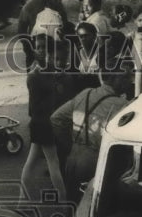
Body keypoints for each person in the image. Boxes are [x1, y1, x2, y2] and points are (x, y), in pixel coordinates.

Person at [51, 58, 134, 204]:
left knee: (72, 204)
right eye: (126, 77)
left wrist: (70, 144)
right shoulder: (123, 105)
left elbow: (56, 118)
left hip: (72, 160)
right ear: (114, 79)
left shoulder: (86, 93)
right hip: (97, 163)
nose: (130, 81)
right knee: (94, 207)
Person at [20, 33, 77, 202]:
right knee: (53, 162)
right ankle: (64, 201)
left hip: (44, 123)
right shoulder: (36, 74)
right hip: (43, 123)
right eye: (38, 47)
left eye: (45, 47)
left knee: (32, 163)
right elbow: (34, 107)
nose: (41, 51)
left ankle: (23, 201)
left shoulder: (50, 70)